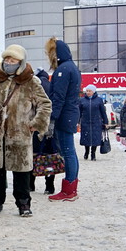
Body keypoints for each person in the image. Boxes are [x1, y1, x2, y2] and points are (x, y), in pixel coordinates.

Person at [0, 45, 51, 217]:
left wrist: (36, 123)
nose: (9, 63)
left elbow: (45, 104)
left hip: (19, 133)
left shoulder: (31, 81)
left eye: (13, 60)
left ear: (21, 62)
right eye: (7, 59)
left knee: (22, 172)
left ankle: (23, 203)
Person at [44, 37, 82, 202]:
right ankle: (71, 187)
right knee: (70, 152)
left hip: (63, 116)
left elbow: (58, 97)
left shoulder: (62, 70)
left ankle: (69, 190)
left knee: (67, 152)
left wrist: (52, 119)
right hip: (70, 115)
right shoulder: (71, 68)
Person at [31, 66, 56, 194]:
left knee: (32, 155)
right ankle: (49, 185)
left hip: (35, 125)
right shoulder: (50, 85)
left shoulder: (35, 85)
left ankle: (31, 184)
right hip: (50, 126)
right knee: (49, 157)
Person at [79, 84, 108, 161]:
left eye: (90, 91)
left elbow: (103, 112)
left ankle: (93, 153)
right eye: (87, 91)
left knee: (95, 138)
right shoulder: (82, 100)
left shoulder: (99, 100)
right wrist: (77, 121)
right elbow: (79, 112)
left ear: (94, 92)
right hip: (85, 122)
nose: (88, 92)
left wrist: (105, 122)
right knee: (86, 138)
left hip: (96, 122)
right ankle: (86, 152)